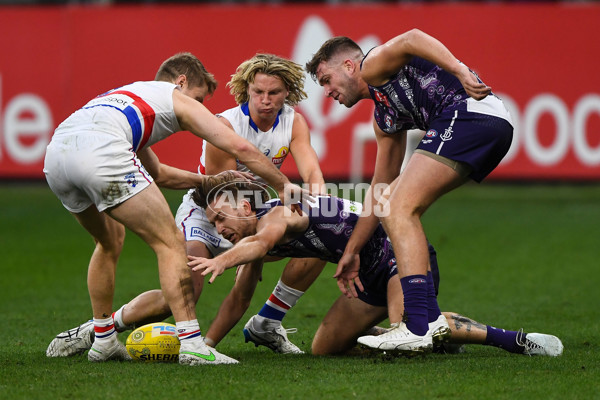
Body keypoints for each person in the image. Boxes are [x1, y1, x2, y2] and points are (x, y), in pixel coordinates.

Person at [46, 54, 325, 357]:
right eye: (199, 98)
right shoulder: (211, 115)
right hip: (211, 211)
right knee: (177, 274)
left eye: (274, 93)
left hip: (58, 155)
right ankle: (187, 344)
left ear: (287, 93)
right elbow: (227, 187)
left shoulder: (129, 97)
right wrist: (280, 193)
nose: (200, 107)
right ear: (180, 83)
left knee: (318, 238)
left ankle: (264, 322)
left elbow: (160, 173)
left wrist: (311, 206)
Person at [304, 30, 514, 353]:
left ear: (349, 66)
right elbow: (379, 187)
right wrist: (353, 250)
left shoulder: (371, 66)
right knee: (391, 203)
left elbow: (412, 38)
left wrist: (459, 70)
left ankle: (418, 325)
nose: (327, 92)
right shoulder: (384, 116)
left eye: (326, 80)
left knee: (399, 208)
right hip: (485, 124)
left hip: (470, 113)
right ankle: (428, 322)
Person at [186, 178, 563, 357]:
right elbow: (240, 294)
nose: (219, 229)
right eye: (214, 224)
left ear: (247, 207)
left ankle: (513, 340)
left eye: (221, 218)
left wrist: (220, 258)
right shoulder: (257, 234)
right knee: (323, 349)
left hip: (402, 259)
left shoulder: (280, 215)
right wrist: (205, 348)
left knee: (412, 334)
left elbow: (261, 242)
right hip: (366, 275)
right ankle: (431, 340)